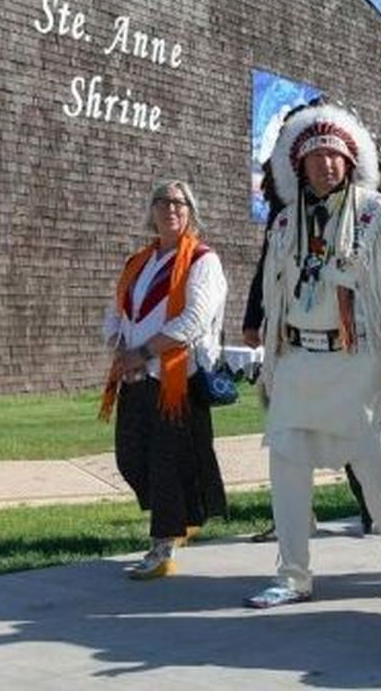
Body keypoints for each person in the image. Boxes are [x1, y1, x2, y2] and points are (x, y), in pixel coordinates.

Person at [245, 101, 381, 608]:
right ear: (299, 166)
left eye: (335, 156)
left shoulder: (375, 213)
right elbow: (275, 296)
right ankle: (293, 574)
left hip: (358, 358)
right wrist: (272, 360)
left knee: (378, 466)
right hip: (299, 359)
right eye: (316, 157)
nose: (327, 164)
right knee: (286, 466)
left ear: (351, 161)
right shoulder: (284, 224)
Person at [100, 180, 230, 579]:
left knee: (165, 465)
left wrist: (144, 352)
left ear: (191, 212)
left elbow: (193, 320)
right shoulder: (138, 262)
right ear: (151, 211)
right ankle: (181, 518)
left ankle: (163, 546)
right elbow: (118, 311)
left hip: (176, 380)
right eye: (163, 202)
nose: (171, 209)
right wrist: (120, 349)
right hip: (134, 376)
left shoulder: (202, 261)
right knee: (130, 458)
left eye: (179, 202)